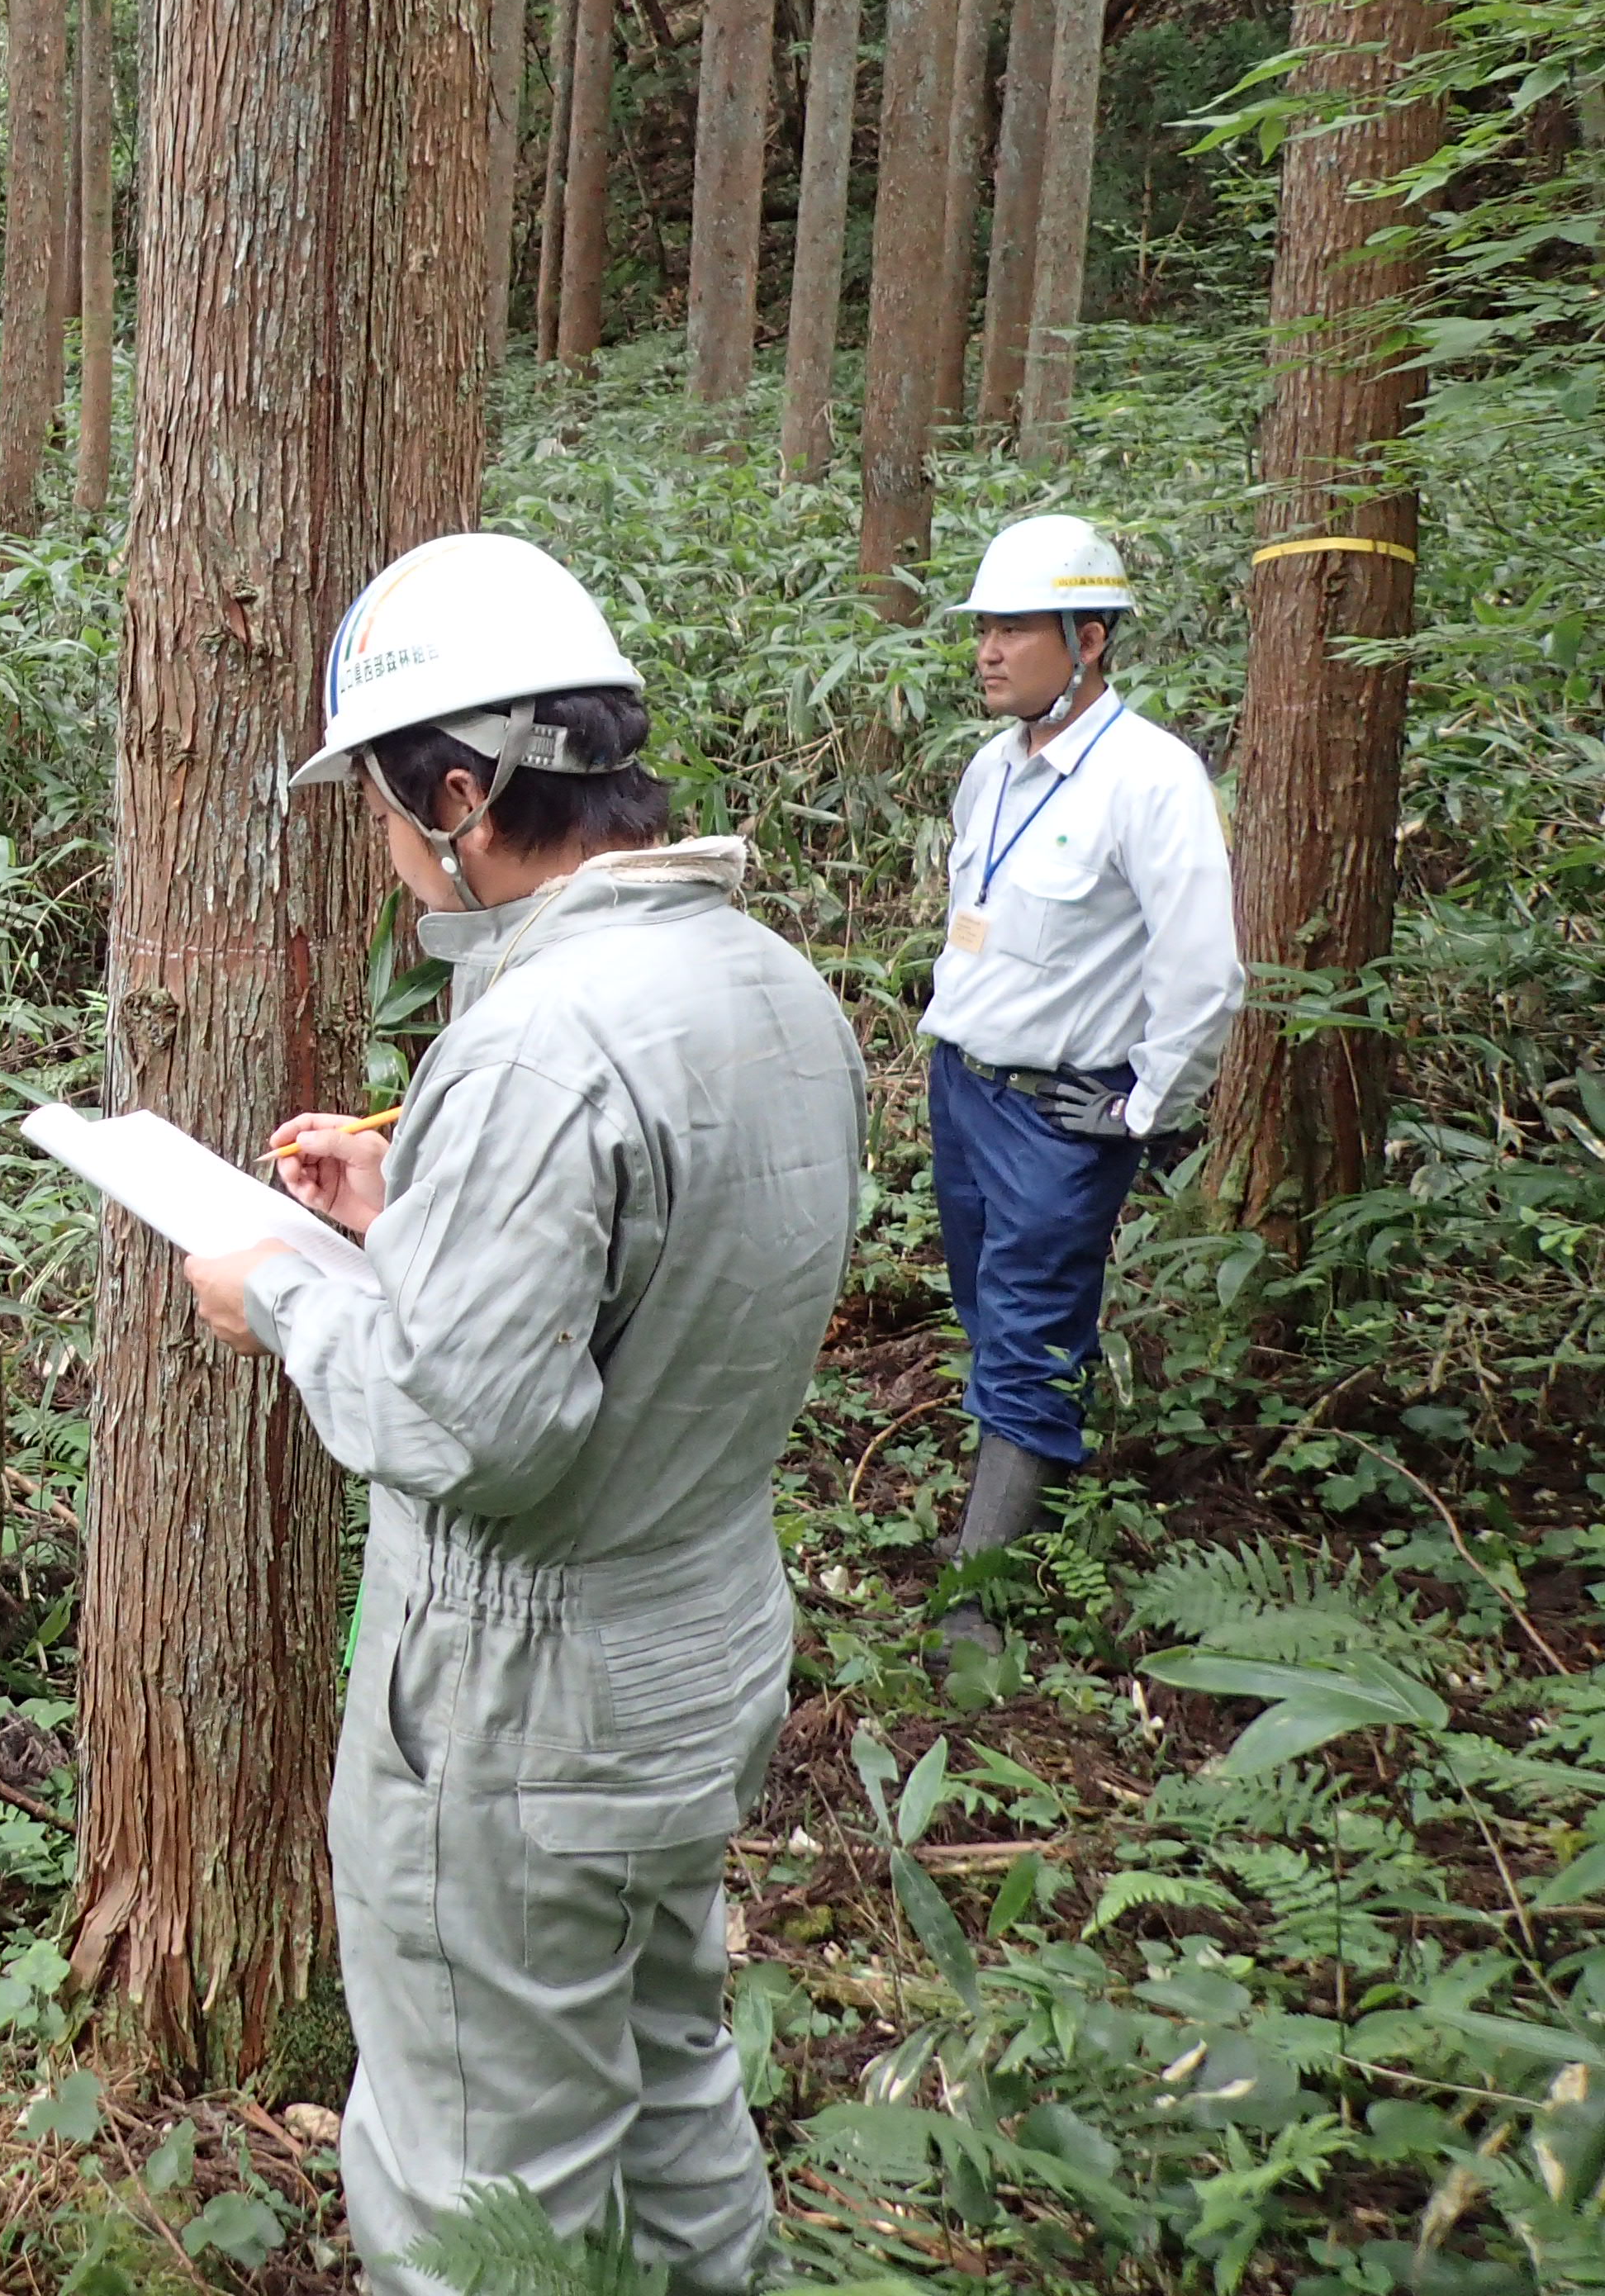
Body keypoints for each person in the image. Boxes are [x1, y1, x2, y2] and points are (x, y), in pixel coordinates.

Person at [173, 533, 867, 2296]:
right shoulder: (771, 986)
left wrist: (283, 1286)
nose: (392, 851)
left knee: (482, 2180)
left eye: (395, 815)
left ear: (466, 792)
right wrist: (417, 1210)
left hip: (524, 1701)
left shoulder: (545, 1042)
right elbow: (661, 1282)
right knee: (664, 2084)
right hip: (695, 1646)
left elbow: (480, 1429)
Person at [921, 515, 1241, 1649]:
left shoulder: (1151, 777)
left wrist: (1147, 1106)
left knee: (1030, 1334)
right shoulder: (989, 773)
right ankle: (1016, 1504)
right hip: (963, 1090)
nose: (989, 651)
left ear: (1089, 638)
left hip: (1063, 1113)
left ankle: (978, 1610)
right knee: (988, 1314)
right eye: (984, 629)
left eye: (1014, 628)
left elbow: (1204, 968)